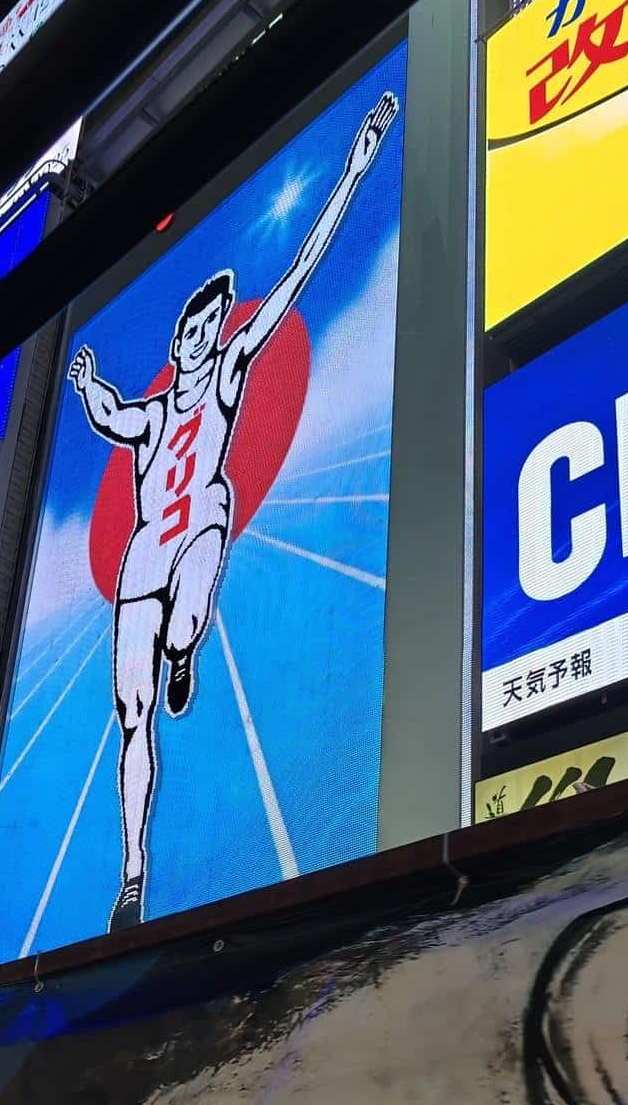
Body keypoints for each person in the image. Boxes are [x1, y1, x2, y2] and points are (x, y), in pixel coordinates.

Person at [69, 91, 398, 932]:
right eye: (198, 327)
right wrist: (85, 385)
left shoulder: (227, 374)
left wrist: (354, 170)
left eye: (216, 324)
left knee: (201, 550)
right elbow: (109, 413)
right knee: (132, 717)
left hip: (200, 527)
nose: (206, 335)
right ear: (178, 338)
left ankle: (186, 646)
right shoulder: (150, 415)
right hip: (145, 558)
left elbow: (295, 279)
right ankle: (133, 875)